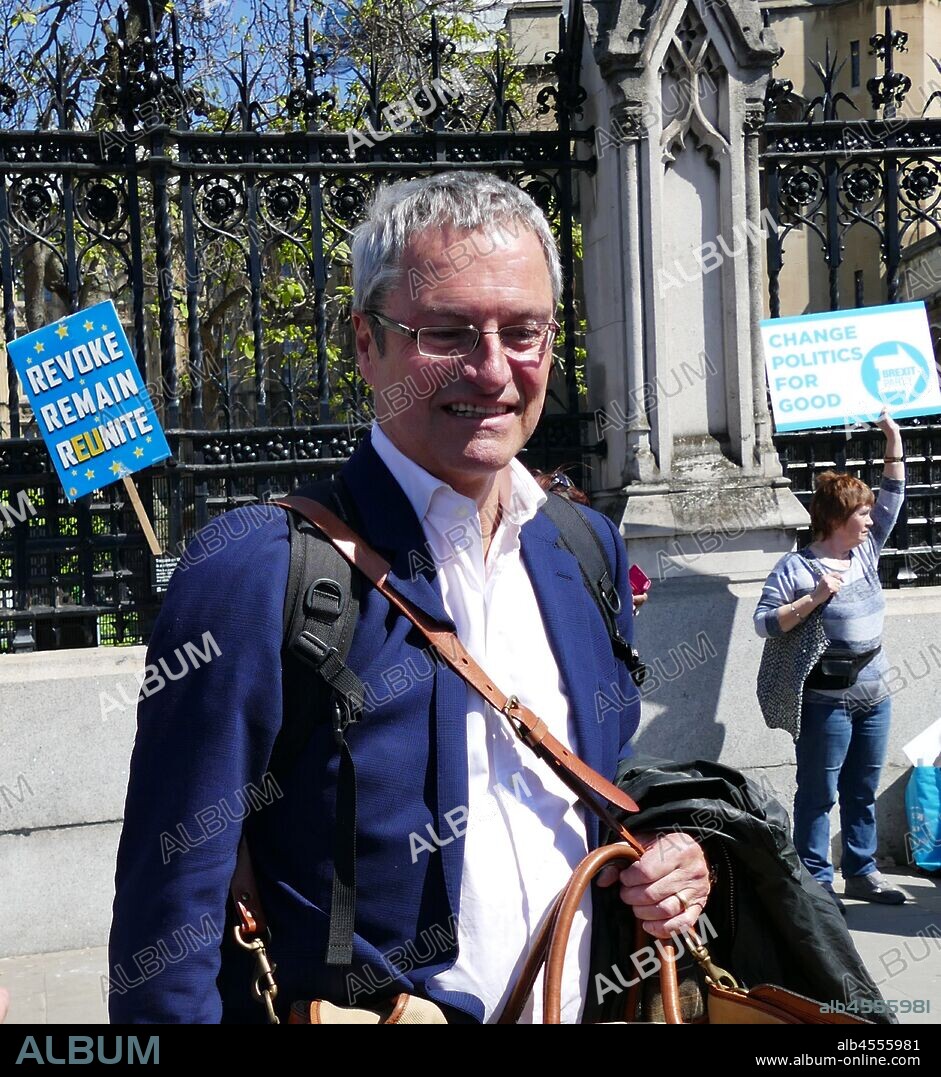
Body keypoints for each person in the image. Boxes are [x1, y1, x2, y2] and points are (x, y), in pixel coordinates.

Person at [109, 171, 708, 1024]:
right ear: (366, 342)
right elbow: (167, 914)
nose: (494, 369)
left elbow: (598, 787)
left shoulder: (584, 546)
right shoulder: (256, 571)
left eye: (523, 331)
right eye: (448, 333)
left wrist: (665, 853)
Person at [754, 411, 906, 912]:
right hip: (827, 699)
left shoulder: (865, 553)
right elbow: (764, 622)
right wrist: (813, 598)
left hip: (874, 693)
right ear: (838, 519)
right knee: (818, 792)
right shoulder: (797, 567)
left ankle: (863, 872)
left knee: (862, 788)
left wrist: (893, 438)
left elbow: (895, 497)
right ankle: (817, 880)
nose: (870, 519)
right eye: (861, 514)